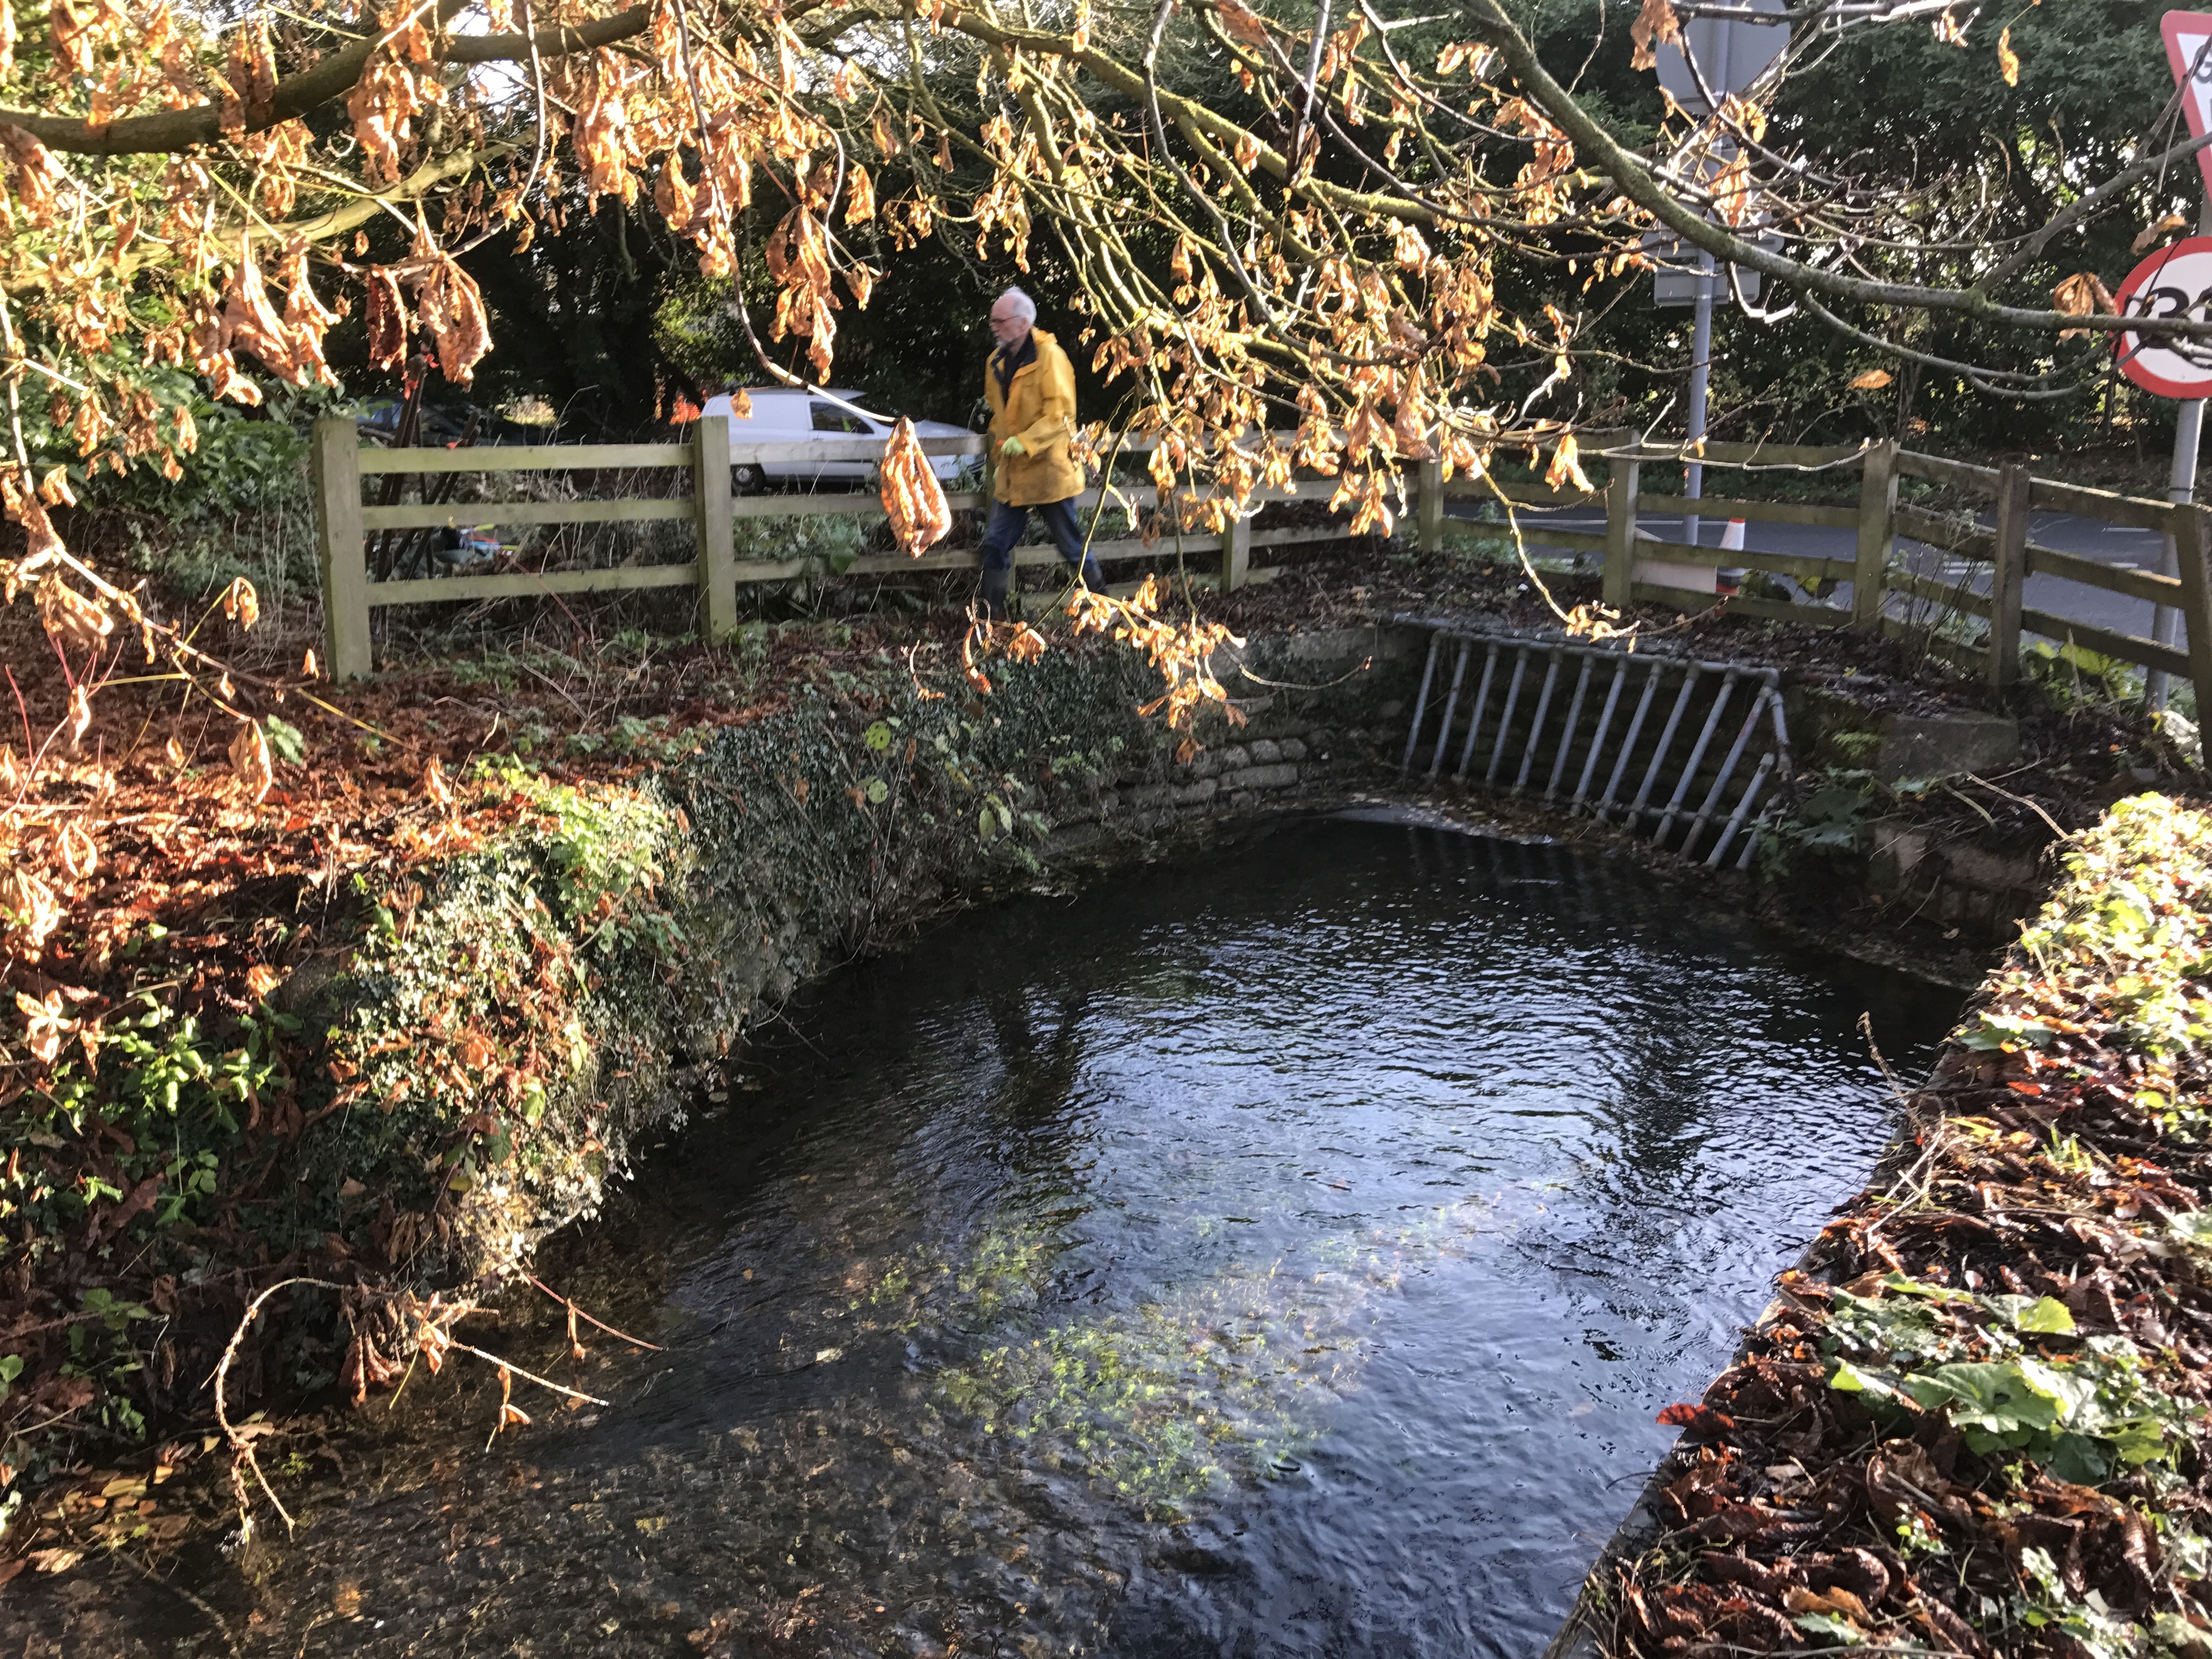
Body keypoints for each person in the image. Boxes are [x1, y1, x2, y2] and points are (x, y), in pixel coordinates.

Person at [979, 287, 1103, 618]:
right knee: (994, 544)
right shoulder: (994, 363)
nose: (994, 327)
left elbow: (1061, 416)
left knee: (1072, 547)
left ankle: (1106, 609)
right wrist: (999, 454)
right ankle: (991, 620)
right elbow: (998, 418)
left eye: (1000, 321)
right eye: (993, 321)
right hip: (1013, 473)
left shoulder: (1051, 357)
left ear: (1022, 323)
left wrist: (1028, 441)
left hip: (1050, 471)